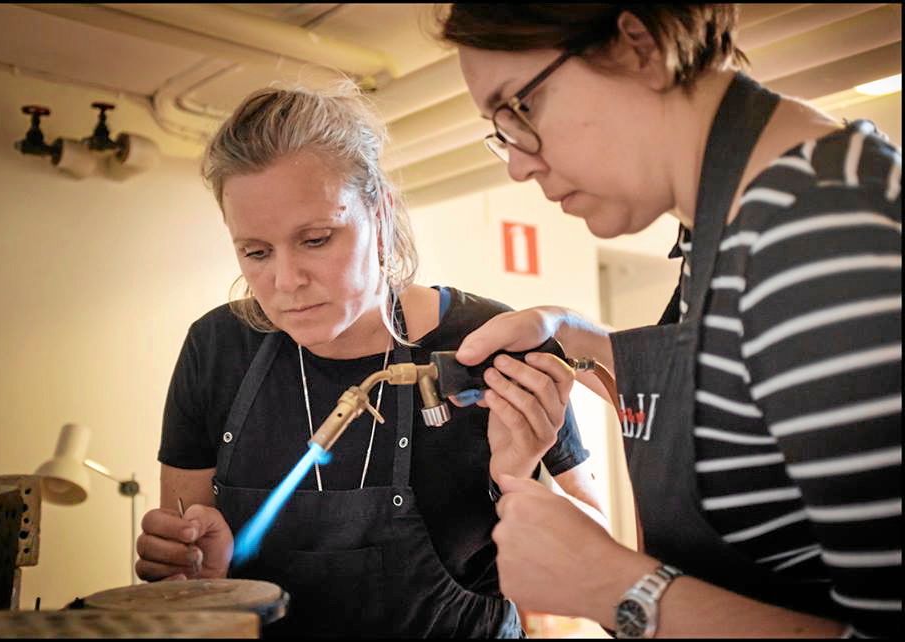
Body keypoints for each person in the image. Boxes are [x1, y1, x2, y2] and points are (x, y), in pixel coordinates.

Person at [437, 3, 902, 639]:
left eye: (521, 107)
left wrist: (609, 584)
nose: (518, 163)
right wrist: (569, 332)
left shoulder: (817, 232)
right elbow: (739, 389)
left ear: (640, 45)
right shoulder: (730, 226)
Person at [133, 80, 604, 638]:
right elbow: (185, 574)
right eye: (256, 252)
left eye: (316, 239)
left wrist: (516, 477)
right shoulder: (216, 349)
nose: (285, 281)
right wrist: (195, 571)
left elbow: (597, 559)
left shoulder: (489, 340)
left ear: (379, 213)